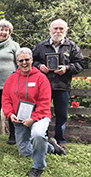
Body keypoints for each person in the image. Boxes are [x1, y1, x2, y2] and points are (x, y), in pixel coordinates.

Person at [2, 47, 66, 177]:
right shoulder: (11, 79)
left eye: (27, 60)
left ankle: (38, 167)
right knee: (25, 151)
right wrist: (10, 114)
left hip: (40, 116)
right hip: (19, 119)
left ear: (32, 60)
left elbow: (44, 103)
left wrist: (34, 118)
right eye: (21, 60)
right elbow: (6, 99)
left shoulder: (41, 79)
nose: (24, 63)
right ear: (17, 62)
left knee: (37, 135)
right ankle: (50, 147)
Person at [32, 19, 84, 149]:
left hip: (62, 85)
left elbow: (80, 64)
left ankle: (60, 140)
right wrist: (39, 66)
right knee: (42, 112)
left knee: (61, 114)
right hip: (44, 87)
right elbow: (31, 61)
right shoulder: (41, 46)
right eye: (55, 28)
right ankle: (42, 137)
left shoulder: (71, 46)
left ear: (65, 30)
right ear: (50, 30)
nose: (58, 31)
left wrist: (67, 68)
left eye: (61, 28)